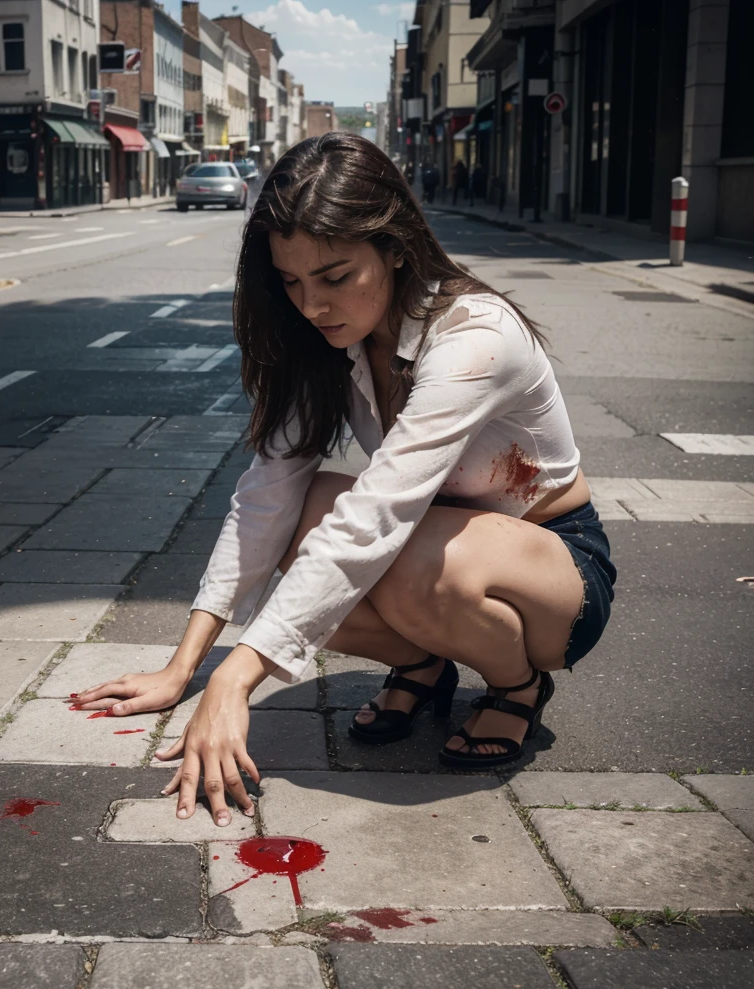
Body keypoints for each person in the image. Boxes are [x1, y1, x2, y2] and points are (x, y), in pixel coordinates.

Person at [68, 133, 616, 827]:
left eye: (334, 276)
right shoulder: (331, 342)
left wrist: (238, 678)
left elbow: (380, 512)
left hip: (556, 575)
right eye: (291, 282)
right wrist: (186, 668)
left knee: (391, 548)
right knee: (306, 513)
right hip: (436, 545)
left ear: (394, 247)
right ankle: (423, 666)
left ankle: (517, 685)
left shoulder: (475, 336)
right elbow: (266, 493)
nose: (312, 304)